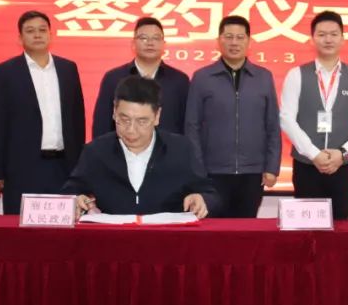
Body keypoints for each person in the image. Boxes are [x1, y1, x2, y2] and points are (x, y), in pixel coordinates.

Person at [63, 76, 217, 217]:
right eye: (124, 119)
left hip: (166, 236)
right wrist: (77, 199)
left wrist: (201, 199)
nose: (131, 130)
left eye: (142, 121)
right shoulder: (96, 152)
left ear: (157, 116)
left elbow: (211, 194)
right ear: (114, 112)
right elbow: (71, 191)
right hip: (113, 236)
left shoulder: (181, 149)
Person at [0, 10, 85, 215]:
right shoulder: (5, 72)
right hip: (21, 168)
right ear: (20, 38)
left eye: (42, 30)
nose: (37, 35)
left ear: (51, 34)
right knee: (21, 228)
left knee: (62, 227)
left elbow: (77, 120)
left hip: (63, 167)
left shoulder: (68, 69)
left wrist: (80, 168)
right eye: (30, 31)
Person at [280, 10, 348, 220]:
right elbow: (286, 119)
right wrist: (314, 153)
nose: (328, 39)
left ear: (343, 38)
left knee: (339, 226)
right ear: (312, 39)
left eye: (333, 34)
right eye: (322, 34)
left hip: (341, 166)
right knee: (306, 227)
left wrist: (343, 153)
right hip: (306, 165)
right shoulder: (296, 75)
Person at [185, 15, 281, 217]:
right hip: (212, 172)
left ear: (249, 41)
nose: (234, 42)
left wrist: (272, 167)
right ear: (219, 40)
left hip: (252, 173)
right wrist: (197, 170)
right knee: (213, 229)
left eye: (240, 37)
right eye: (228, 37)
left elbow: (272, 124)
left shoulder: (263, 77)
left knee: (246, 229)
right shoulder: (202, 77)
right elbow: (192, 126)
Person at [91, 16, 189, 137]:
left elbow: (187, 124)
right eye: (143, 38)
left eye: (156, 38)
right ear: (133, 43)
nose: (150, 43)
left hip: (169, 148)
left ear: (164, 44)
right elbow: (102, 124)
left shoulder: (180, 81)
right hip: (123, 147)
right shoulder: (114, 78)